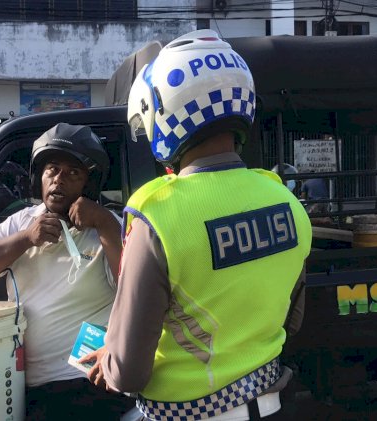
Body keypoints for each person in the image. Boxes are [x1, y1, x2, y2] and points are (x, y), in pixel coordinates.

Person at [82, 30, 312, 420]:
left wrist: (110, 359)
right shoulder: (286, 201)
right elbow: (292, 320)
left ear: (164, 113)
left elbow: (128, 373)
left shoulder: (156, 213)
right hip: (270, 406)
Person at [0, 123, 134, 420]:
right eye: (52, 169)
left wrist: (103, 224)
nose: (58, 180)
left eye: (73, 173)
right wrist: (26, 238)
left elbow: (133, 289)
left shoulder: (109, 225)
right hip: (26, 384)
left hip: (87, 383)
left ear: (90, 184)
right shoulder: (23, 221)